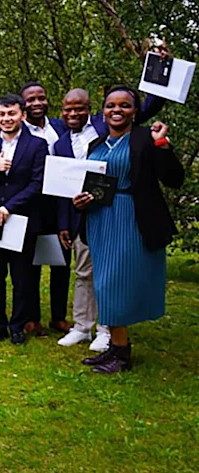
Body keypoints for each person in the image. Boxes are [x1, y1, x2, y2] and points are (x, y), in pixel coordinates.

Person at [74, 87, 184, 373]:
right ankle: (114, 346)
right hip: (99, 219)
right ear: (103, 110)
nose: (117, 110)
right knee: (103, 284)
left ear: (135, 111)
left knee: (114, 284)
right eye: (111, 105)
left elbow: (174, 178)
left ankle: (121, 355)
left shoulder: (144, 138)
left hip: (131, 216)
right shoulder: (96, 143)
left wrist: (162, 146)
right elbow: (90, 182)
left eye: (124, 105)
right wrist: (81, 200)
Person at [0, 95, 49, 346]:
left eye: (11, 114)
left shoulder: (37, 145)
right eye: (2, 114)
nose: (6, 119)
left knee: (22, 277)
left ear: (22, 115)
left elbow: (38, 183)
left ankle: (17, 326)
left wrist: (10, 207)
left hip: (22, 218)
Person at [54, 89, 107, 350]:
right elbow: (61, 188)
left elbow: (143, 109)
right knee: (83, 271)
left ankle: (106, 329)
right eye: (68, 109)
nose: (73, 113)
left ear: (90, 108)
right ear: (62, 110)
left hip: (108, 212)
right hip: (77, 217)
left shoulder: (104, 127)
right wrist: (63, 224)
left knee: (108, 273)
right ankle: (82, 327)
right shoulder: (61, 143)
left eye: (79, 108)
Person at [20, 81, 71, 336]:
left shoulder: (61, 127)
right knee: (31, 262)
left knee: (61, 260)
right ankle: (32, 317)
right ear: (23, 105)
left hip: (60, 202)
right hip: (31, 203)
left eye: (41, 97)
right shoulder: (17, 132)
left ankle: (59, 317)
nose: (37, 103)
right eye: (30, 99)